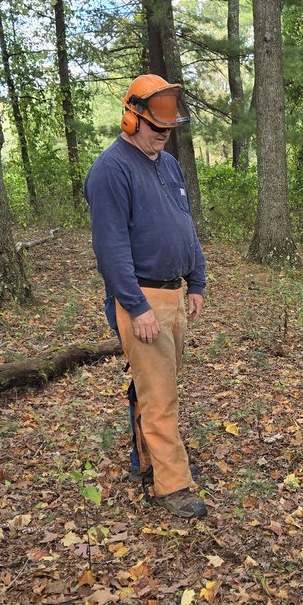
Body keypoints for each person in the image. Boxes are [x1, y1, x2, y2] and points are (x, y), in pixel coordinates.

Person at [84, 74, 208, 519]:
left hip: (175, 295)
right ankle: (172, 486)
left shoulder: (168, 165)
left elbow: (185, 224)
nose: (163, 136)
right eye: (157, 128)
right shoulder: (110, 170)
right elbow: (111, 247)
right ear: (131, 117)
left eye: (169, 130)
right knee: (159, 396)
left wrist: (197, 280)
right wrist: (135, 306)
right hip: (143, 297)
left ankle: (148, 463)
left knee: (159, 387)